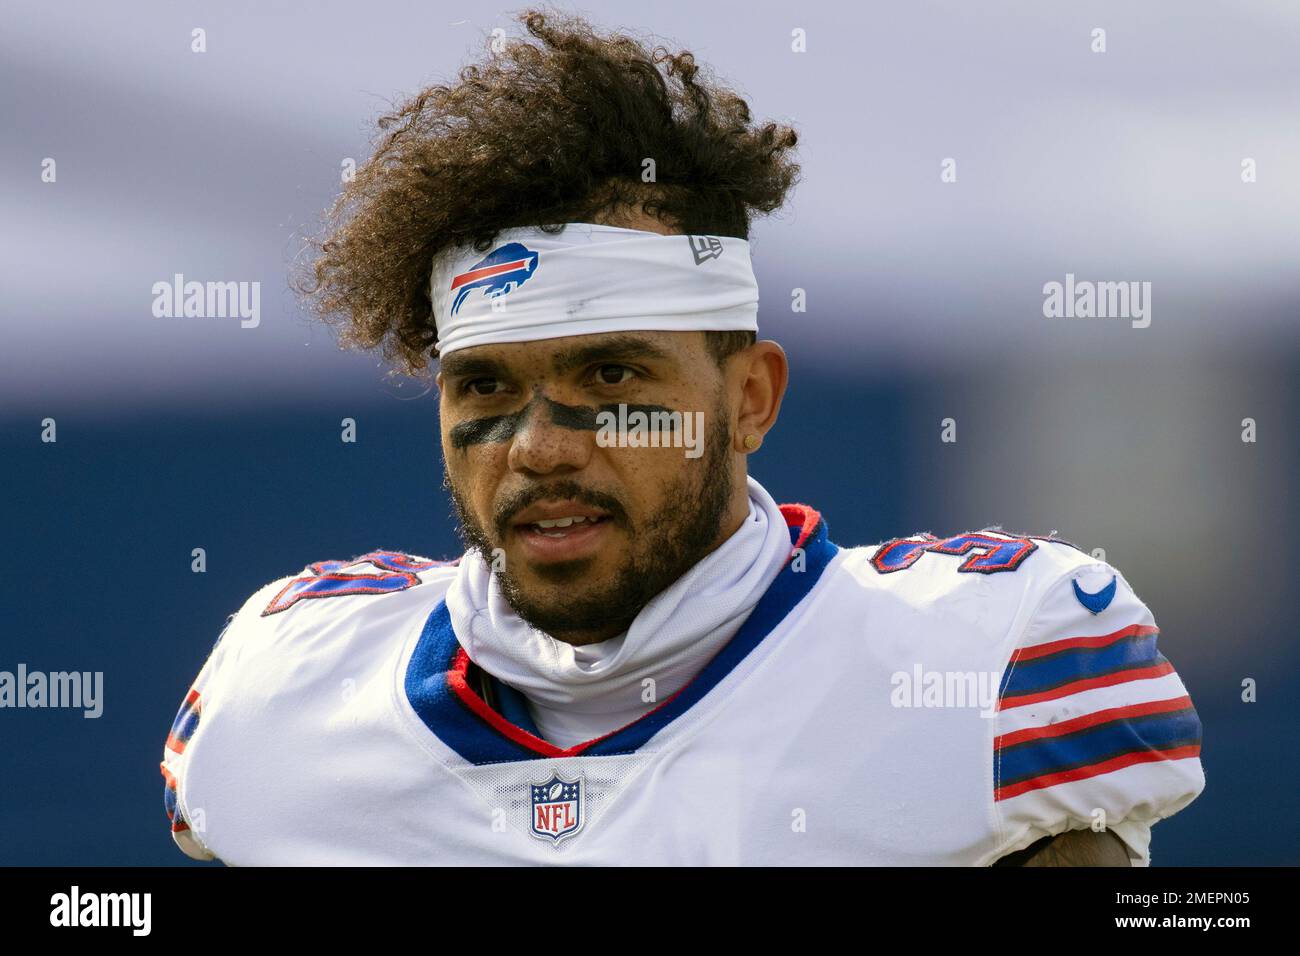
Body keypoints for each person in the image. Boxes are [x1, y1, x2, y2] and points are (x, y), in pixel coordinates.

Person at [160, 9, 1203, 865]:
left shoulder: (991, 666)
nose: (538, 447)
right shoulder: (284, 694)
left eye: (608, 374)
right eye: (484, 383)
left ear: (749, 396)